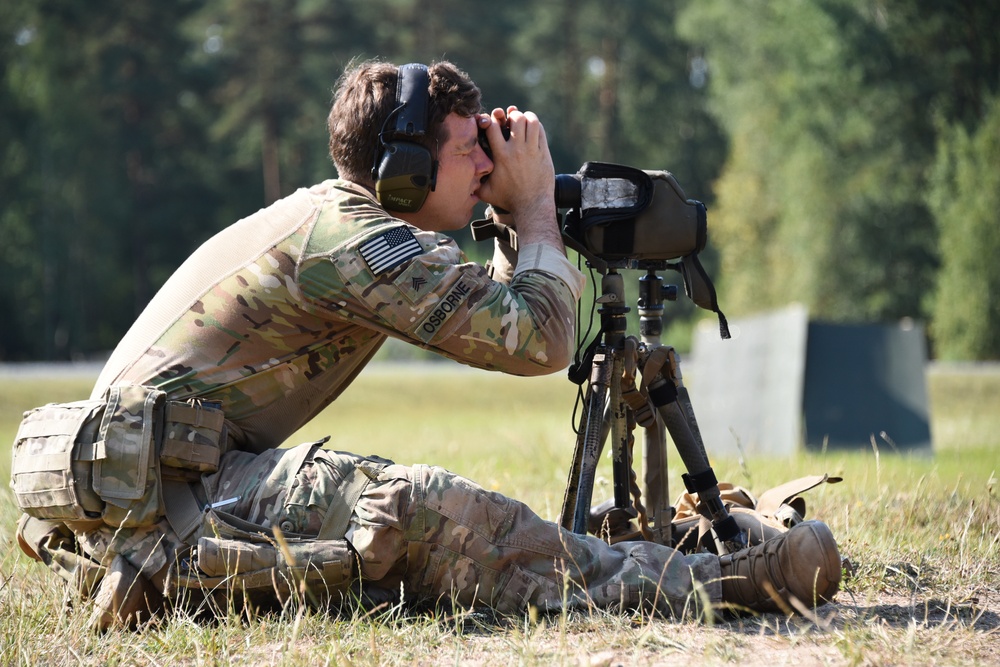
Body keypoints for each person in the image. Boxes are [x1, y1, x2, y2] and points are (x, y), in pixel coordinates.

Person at [13, 59, 842, 628]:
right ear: (404, 170)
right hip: (161, 510)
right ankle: (722, 580)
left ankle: (637, 547)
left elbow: (501, 316)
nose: (486, 170)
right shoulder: (351, 241)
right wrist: (538, 214)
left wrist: (517, 218)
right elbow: (538, 341)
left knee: (424, 517)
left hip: (158, 496)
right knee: (417, 507)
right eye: (466, 153)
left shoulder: (345, 223)